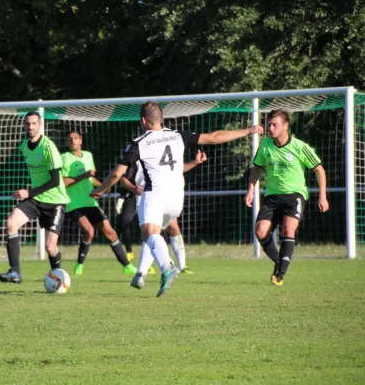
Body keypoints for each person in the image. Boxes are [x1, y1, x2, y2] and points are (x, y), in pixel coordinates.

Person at [91, 101, 263, 297]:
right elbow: (214, 137)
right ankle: (142, 274)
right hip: (176, 199)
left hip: (154, 195)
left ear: (143, 121)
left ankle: (167, 268)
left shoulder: (138, 143)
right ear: (161, 119)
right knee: (152, 234)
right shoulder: (179, 136)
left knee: (149, 233)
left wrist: (101, 190)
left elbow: (116, 174)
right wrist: (248, 130)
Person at [245, 109, 328, 286]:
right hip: (272, 197)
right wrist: (250, 191)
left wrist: (323, 197)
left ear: (286, 126)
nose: (270, 128)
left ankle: (280, 274)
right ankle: (279, 260)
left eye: (275, 125)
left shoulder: (300, 147)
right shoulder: (265, 145)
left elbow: (319, 170)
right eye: (269, 124)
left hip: (294, 196)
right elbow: (257, 169)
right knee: (260, 231)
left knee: (288, 230)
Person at [0, 112, 71, 284]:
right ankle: (15, 272)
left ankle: (58, 276)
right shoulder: (24, 147)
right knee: (11, 223)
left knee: (50, 247)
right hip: (37, 199)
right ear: (24, 125)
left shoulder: (48, 147)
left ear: (40, 125)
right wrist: (29, 194)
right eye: (28, 124)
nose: (30, 127)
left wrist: (28, 193)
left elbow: (54, 181)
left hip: (55, 201)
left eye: (34, 123)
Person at [60, 130, 137, 275]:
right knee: (89, 231)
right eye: (69, 138)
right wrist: (84, 175)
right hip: (74, 204)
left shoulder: (88, 156)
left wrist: (103, 187)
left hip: (90, 202)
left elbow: (91, 179)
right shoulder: (64, 158)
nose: (72, 141)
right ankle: (79, 264)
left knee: (110, 231)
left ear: (80, 140)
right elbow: (63, 182)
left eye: (75, 138)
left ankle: (127, 266)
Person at [120, 150, 207, 275]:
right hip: (146, 199)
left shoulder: (162, 151)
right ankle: (149, 268)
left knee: (172, 227)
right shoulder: (137, 152)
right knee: (150, 233)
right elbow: (123, 178)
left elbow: (177, 169)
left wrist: (195, 162)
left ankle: (180, 266)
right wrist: (134, 188)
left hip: (165, 196)